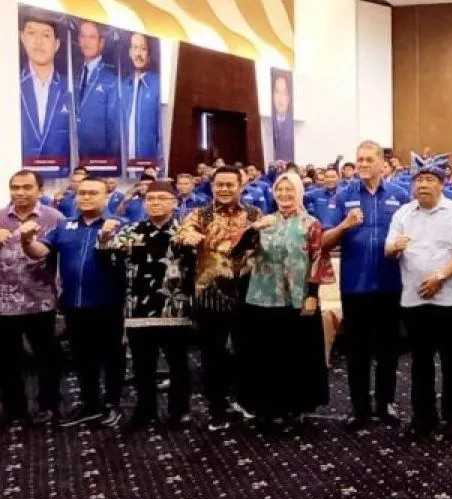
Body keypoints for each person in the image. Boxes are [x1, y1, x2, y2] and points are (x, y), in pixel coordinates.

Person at [20, 178, 126, 429]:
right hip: (73, 304)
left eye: (93, 193)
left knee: (112, 356)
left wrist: (108, 239)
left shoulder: (121, 225)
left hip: (109, 303)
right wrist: (26, 241)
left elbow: (125, 259)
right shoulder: (64, 225)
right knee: (82, 356)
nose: (86, 197)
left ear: (107, 197)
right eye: (82, 193)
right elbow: (40, 252)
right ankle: (90, 404)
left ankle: (113, 404)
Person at [385, 152, 452, 438]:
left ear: (441, 184)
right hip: (415, 300)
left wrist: (440, 277)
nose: (423, 184)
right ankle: (423, 416)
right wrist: (393, 248)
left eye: (429, 179)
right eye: (419, 180)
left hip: (450, 300)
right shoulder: (403, 213)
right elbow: (388, 249)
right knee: (420, 362)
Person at [322, 141, 410, 429]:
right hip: (355, 286)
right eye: (359, 159)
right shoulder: (343, 196)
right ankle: (359, 408)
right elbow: (324, 241)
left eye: (368, 159)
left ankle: (386, 403)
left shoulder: (399, 195)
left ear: (382, 164)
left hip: (390, 283)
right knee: (357, 351)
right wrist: (345, 225)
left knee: (388, 350)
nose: (362, 164)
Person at [232, 173, 332, 426]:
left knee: (295, 355)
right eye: (280, 190)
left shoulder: (310, 224)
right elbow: (237, 253)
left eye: (290, 190)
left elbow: (318, 259)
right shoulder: (264, 222)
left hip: (298, 298)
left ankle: (295, 407)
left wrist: (312, 295)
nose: (284, 195)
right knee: (266, 354)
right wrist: (252, 230)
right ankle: (265, 406)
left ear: (299, 193)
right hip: (263, 297)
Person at [98, 181, 195, 431]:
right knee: (143, 366)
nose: (155, 203)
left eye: (162, 198)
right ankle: (145, 410)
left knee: (178, 364)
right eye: (151, 199)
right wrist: (105, 239)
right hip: (138, 308)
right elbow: (108, 258)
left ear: (174, 203)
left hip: (175, 307)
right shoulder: (131, 230)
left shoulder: (184, 231)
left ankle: (180, 411)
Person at [177, 166, 261, 430]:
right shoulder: (200, 214)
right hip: (210, 294)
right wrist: (187, 236)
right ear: (212, 187)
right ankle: (217, 407)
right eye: (219, 185)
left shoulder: (254, 214)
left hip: (247, 293)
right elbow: (181, 233)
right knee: (212, 354)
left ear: (240, 186)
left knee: (247, 350)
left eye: (229, 185)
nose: (224, 189)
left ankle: (245, 401)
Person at [0, 170, 64, 426]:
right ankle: (14, 409)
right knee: (7, 360)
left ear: (40, 189)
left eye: (27, 187)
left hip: (41, 300)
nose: (20, 192)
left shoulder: (54, 218)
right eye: (15, 187)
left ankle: (49, 404)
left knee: (47, 357)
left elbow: (63, 256)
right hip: (3, 303)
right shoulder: (0, 217)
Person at [18, 10, 71, 168]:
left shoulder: (70, 87)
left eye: (46, 35)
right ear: (22, 38)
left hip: (62, 175)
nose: (38, 41)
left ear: (57, 44)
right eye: (32, 33)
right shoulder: (12, 85)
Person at [74, 21, 122, 163]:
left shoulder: (111, 79)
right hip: (73, 159)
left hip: (98, 160)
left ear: (101, 42)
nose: (86, 42)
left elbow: (115, 130)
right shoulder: (74, 75)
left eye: (92, 37)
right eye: (83, 36)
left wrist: (109, 163)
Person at [121, 33, 161, 164]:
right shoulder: (123, 86)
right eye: (135, 48)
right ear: (130, 52)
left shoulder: (158, 85)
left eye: (143, 49)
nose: (138, 54)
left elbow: (162, 133)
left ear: (149, 53)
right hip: (125, 167)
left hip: (149, 168)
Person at [270, 71, 295, 161]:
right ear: (272, 96)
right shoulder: (270, 124)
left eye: (284, 93)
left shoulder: (292, 126)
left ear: (289, 98)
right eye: (277, 92)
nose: (280, 97)